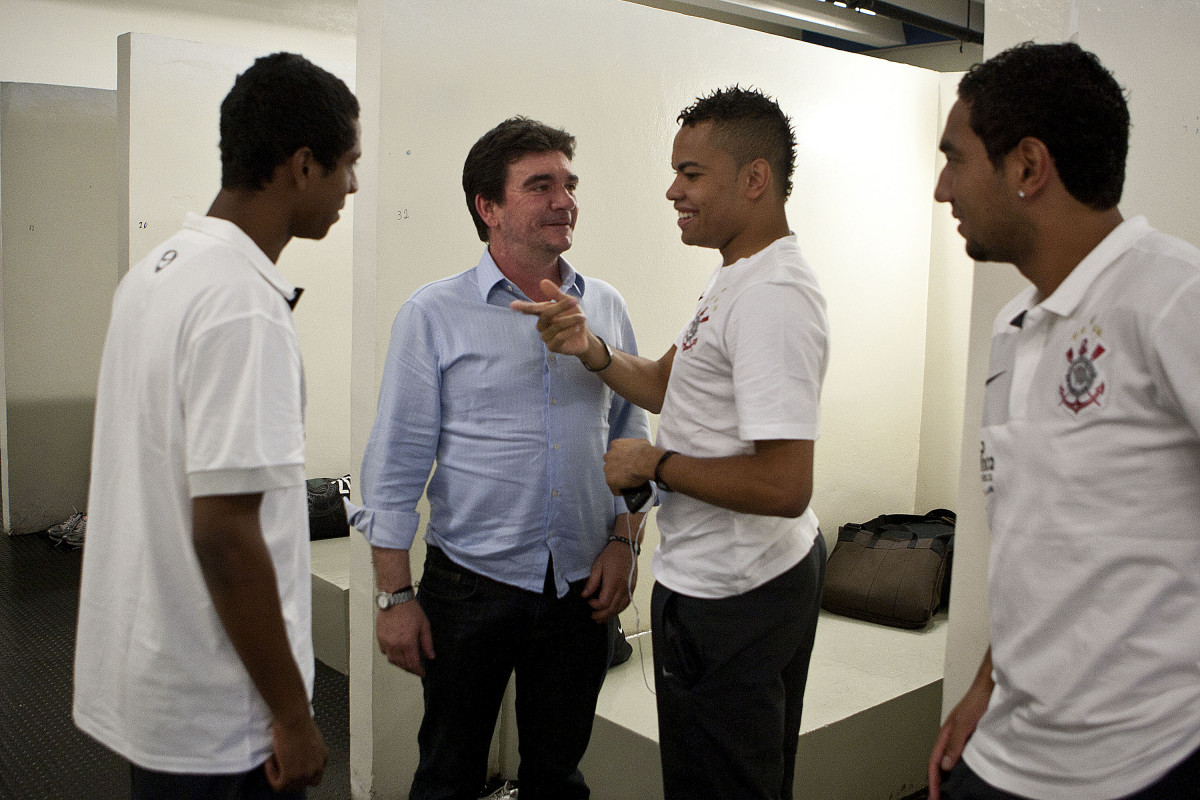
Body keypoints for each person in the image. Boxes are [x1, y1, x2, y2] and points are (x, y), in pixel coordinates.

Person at [514, 87, 829, 800]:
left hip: (736, 598)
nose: (671, 191)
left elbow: (785, 486)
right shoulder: (737, 278)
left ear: (754, 180)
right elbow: (664, 383)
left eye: (691, 174)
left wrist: (656, 464)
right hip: (718, 585)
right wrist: (590, 348)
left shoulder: (773, 297)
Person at [73, 53, 360, 799]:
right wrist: (294, 716)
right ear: (302, 166)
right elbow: (225, 535)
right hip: (222, 720)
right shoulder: (242, 304)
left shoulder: (159, 272)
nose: (352, 187)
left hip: (160, 685)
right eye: (347, 166)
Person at [928, 42, 1200, 800]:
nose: (942, 188)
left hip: (1141, 769)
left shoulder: (1172, 297)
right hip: (1006, 751)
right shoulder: (1015, 324)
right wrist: (986, 679)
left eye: (955, 158)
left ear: (1027, 167)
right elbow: (1038, 539)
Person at [358, 116, 650, 800]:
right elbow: (395, 466)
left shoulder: (604, 305)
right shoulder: (432, 314)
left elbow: (630, 438)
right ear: (488, 207)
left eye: (570, 184)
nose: (565, 200)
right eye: (540, 185)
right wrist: (394, 595)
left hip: (581, 586)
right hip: (470, 585)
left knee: (557, 771)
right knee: (449, 773)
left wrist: (624, 543)